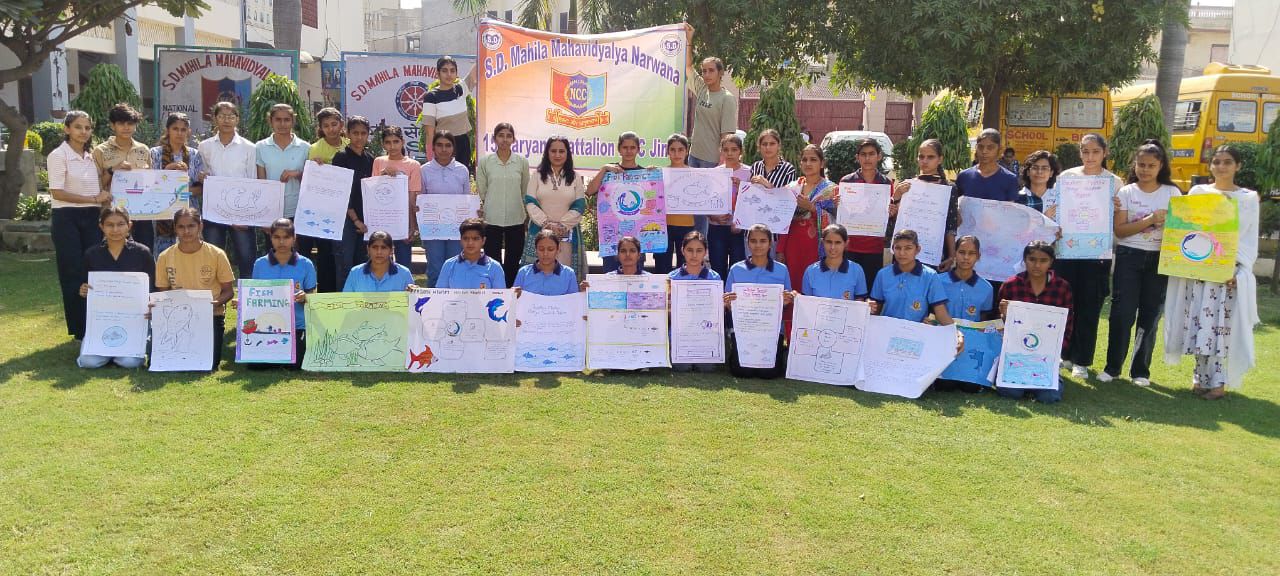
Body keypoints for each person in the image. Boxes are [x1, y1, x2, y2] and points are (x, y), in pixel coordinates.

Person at [1163, 145, 1260, 399]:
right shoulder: (1198, 192)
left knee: (1220, 327)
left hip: (1226, 273)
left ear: (1237, 166)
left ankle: (1218, 383)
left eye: (1227, 162)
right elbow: (1187, 228)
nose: (1221, 167)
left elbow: (1248, 239)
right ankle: (1200, 378)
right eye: (1216, 162)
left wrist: (1238, 270)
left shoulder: (1248, 199)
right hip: (1198, 268)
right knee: (1198, 323)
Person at [1101, 140, 1180, 386]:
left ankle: (1140, 372)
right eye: (1141, 164)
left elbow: (1181, 231)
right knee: (1122, 314)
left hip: (1159, 259)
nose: (1145, 170)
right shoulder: (1126, 192)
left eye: (1151, 165)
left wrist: (1166, 225)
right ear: (1134, 165)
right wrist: (1150, 219)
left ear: (1161, 166)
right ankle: (1112, 368)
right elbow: (1121, 232)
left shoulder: (1172, 193)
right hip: (1129, 257)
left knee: (1150, 315)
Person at [1045, 133, 1123, 380]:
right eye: (1085, 151)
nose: (1090, 157)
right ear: (1080, 152)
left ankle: (1082, 360)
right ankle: (1065, 354)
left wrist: (1116, 207)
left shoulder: (1113, 182)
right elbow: (1053, 211)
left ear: (1104, 153)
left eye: (1095, 152)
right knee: (1065, 305)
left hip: (1096, 254)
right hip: (1066, 252)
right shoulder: (1066, 178)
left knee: (1090, 307)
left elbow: (1116, 220)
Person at [50, 110, 109, 341]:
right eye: (78, 127)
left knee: (93, 269)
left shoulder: (90, 156)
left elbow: (95, 187)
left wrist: (113, 174)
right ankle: (79, 329)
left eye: (87, 127)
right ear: (67, 129)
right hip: (67, 218)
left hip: (91, 217)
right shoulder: (58, 155)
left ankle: (95, 322)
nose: (83, 132)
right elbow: (57, 192)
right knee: (72, 271)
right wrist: (94, 200)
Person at [155, 208, 236, 371]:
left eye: (191, 226)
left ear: (200, 226)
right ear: (175, 228)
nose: (186, 231)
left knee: (209, 364)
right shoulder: (164, 257)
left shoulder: (217, 254)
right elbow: (162, 293)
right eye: (181, 227)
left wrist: (214, 303)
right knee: (164, 360)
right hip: (175, 318)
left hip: (211, 316)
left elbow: (229, 291)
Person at [996, 241, 1075, 403]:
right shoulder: (1011, 285)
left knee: (1050, 397)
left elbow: (1067, 326)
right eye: (1032, 259)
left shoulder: (1062, 288)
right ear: (1024, 260)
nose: (1037, 265)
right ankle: (1017, 379)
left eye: (1043, 260)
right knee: (1010, 392)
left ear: (1051, 262)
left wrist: (1055, 353)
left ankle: (1052, 377)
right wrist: (1004, 315)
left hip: (1045, 357)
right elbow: (997, 325)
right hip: (1015, 355)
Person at [77, 207, 155, 369]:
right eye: (109, 225)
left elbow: (152, 288)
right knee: (88, 362)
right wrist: (83, 290)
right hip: (102, 321)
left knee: (130, 363)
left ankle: (118, 353)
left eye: (120, 224)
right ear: (101, 227)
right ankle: (106, 350)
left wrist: (151, 306)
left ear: (129, 226)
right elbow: (85, 284)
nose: (115, 230)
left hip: (134, 321)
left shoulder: (142, 253)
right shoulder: (92, 254)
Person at [197, 101, 259, 279]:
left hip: (241, 211)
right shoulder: (205, 146)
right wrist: (201, 177)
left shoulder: (249, 147)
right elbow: (201, 174)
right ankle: (214, 301)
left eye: (231, 116)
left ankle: (247, 300)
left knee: (246, 257)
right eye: (222, 116)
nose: (226, 120)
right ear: (215, 119)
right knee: (212, 256)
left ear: (237, 119)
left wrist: (247, 214)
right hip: (214, 211)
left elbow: (253, 179)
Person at [724, 224, 794, 378]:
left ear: (770, 243)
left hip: (771, 329)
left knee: (769, 373)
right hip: (744, 329)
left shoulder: (782, 270)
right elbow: (729, 303)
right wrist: (728, 303)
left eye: (763, 241)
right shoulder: (736, 269)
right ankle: (734, 351)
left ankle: (779, 354)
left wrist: (788, 300)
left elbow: (785, 302)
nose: (758, 245)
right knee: (742, 372)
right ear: (747, 242)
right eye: (753, 241)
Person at [248, 218, 317, 369]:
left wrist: (305, 297)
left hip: (296, 326)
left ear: (294, 238)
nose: (281, 242)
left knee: (295, 365)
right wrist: (243, 303)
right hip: (265, 326)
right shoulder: (260, 264)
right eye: (277, 237)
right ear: (270, 238)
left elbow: (313, 296)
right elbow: (253, 296)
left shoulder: (306, 264)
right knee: (256, 366)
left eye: (286, 237)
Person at [255, 104, 311, 274]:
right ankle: (275, 295)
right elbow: (261, 182)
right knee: (273, 259)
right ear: (270, 121)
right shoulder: (261, 147)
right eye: (278, 119)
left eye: (287, 119)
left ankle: (300, 293)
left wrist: (297, 173)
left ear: (293, 120)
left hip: (297, 210)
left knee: (299, 258)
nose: (282, 124)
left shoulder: (305, 147)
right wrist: (264, 216)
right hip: (272, 213)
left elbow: (311, 181)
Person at [523, 136, 587, 281]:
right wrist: (546, 224)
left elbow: (579, 204)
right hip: (540, 231)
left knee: (565, 274)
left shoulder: (575, 177)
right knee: (539, 273)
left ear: (567, 154)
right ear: (547, 153)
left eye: (561, 151)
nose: (557, 155)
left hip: (567, 233)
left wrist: (562, 225)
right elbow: (530, 202)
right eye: (553, 151)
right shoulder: (537, 175)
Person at [588, 132, 654, 272]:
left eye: (632, 147)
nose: (629, 151)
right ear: (619, 149)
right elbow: (590, 190)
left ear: (638, 150)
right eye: (625, 147)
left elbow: (653, 201)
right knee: (611, 283)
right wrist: (604, 169)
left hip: (637, 239)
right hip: (612, 240)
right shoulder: (609, 171)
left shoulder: (645, 173)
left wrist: (654, 177)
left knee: (635, 284)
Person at [891, 138, 960, 270]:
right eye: (921, 156)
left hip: (933, 252)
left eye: (930, 157)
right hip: (905, 252)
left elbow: (951, 225)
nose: (925, 161)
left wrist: (951, 256)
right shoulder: (907, 185)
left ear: (940, 159)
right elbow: (897, 221)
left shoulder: (948, 188)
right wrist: (897, 197)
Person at [776, 144, 836, 291]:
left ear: (822, 163)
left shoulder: (831, 190)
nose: (808, 163)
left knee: (812, 285)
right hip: (792, 245)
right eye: (805, 159)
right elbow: (784, 221)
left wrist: (812, 208)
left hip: (816, 246)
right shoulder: (792, 187)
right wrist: (780, 249)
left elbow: (836, 221)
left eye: (813, 160)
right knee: (792, 286)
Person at [476, 122, 529, 286]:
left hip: (516, 218)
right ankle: (495, 290)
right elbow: (482, 190)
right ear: (494, 139)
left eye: (508, 136)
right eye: (501, 135)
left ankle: (512, 294)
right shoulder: (485, 162)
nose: (504, 140)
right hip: (492, 217)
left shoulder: (521, 162)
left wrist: (526, 213)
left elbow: (525, 190)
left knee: (513, 260)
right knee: (493, 260)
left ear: (513, 139)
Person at [93, 103, 153, 249]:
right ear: (112, 126)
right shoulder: (100, 150)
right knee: (113, 253)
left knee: (144, 251)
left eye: (130, 123)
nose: (126, 127)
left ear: (135, 125)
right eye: (121, 123)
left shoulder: (143, 149)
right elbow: (97, 185)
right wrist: (113, 170)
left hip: (141, 211)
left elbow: (151, 183)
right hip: (113, 213)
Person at [302, 107, 348, 292]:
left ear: (341, 125)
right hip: (322, 211)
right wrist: (315, 167)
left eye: (334, 124)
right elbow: (311, 179)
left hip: (345, 210)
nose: (331, 129)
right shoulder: (315, 149)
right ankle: (326, 292)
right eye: (326, 125)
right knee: (325, 253)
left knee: (343, 253)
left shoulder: (349, 144)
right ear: (321, 128)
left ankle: (343, 291)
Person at [836, 137, 892, 290]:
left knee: (869, 291)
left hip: (874, 247)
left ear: (879, 156)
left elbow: (889, 214)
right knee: (848, 290)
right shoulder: (846, 182)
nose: (867, 158)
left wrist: (892, 211)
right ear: (857, 157)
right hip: (850, 247)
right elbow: (841, 214)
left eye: (871, 154)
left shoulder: (886, 184)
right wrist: (838, 205)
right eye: (863, 154)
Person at [149, 112, 205, 258]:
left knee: (191, 255)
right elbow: (150, 184)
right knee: (164, 257)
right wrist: (168, 170)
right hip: (161, 212)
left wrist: (181, 192)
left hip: (188, 210)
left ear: (188, 132)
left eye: (183, 129)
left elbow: (199, 188)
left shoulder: (194, 154)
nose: (179, 133)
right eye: (175, 129)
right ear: (168, 130)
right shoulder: (155, 153)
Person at [420, 130, 471, 287]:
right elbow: (421, 198)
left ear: (453, 148)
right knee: (435, 269)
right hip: (433, 229)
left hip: (455, 229)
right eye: (439, 145)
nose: (444, 149)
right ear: (433, 148)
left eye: (448, 145)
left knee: (455, 267)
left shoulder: (462, 170)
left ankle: (454, 305)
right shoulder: (424, 170)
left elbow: (466, 200)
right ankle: (433, 307)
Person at [869, 230, 953, 324]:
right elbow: (875, 309)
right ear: (893, 249)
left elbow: (941, 313)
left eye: (908, 248)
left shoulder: (930, 276)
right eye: (898, 248)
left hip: (916, 333)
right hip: (888, 329)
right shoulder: (883, 274)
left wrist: (955, 332)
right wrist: (868, 307)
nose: (902, 253)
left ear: (917, 250)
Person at [330, 115, 375, 289]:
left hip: (366, 221)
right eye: (355, 133)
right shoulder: (340, 157)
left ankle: (360, 304)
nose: (359, 137)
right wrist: (355, 219)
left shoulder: (371, 159)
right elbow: (341, 193)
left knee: (363, 265)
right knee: (345, 265)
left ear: (368, 135)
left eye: (363, 133)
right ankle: (343, 306)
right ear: (347, 133)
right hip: (345, 220)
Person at [669, 230, 722, 373]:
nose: (694, 255)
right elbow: (667, 312)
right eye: (689, 250)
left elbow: (717, 311)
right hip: (680, 334)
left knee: (707, 368)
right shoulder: (671, 278)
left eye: (699, 250)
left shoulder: (714, 278)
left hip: (705, 333)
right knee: (682, 367)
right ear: (682, 250)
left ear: (705, 252)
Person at [373, 125, 424, 268]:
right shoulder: (378, 162)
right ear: (383, 144)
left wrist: (412, 226)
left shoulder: (413, 165)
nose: (392, 146)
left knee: (403, 263)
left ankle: (404, 289)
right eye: (388, 142)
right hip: (382, 219)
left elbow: (412, 195)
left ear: (402, 142)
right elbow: (373, 192)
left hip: (403, 220)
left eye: (395, 141)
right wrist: (383, 176)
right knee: (380, 261)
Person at [654, 133, 698, 274]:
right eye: (673, 150)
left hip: (686, 225)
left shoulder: (696, 174)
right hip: (663, 225)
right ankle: (663, 294)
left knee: (685, 264)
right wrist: (649, 175)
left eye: (680, 150)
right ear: (668, 152)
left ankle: (682, 294)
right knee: (662, 264)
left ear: (687, 151)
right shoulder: (659, 173)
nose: (677, 153)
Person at [420, 55, 473, 171]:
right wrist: (431, 159)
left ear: (456, 74)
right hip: (443, 146)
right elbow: (429, 133)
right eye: (444, 71)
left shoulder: (461, 89)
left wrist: (488, 43)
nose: (449, 74)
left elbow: (476, 70)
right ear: (437, 74)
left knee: (460, 179)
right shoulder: (431, 97)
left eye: (452, 71)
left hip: (463, 144)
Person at [708, 133, 750, 279]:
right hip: (716, 227)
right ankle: (719, 299)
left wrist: (743, 188)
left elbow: (754, 201)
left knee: (737, 269)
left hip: (739, 230)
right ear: (721, 151)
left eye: (734, 149)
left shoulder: (749, 172)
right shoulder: (714, 172)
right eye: (726, 150)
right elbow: (705, 201)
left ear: (741, 152)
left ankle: (734, 300)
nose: (730, 153)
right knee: (717, 268)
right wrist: (713, 216)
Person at [689, 57, 738, 169]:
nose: (707, 74)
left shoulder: (727, 98)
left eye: (711, 70)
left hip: (711, 161)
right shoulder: (702, 89)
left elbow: (727, 135)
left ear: (720, 72)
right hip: (694, 156)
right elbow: (688, 67)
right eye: (704, 71)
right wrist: (689, 41)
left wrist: (723, 159)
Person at [801, 224, 868, 301]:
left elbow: (860, 302)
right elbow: (805, 303)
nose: (833, 247)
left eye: (838, 242)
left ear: (846, 243)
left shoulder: (857, 270)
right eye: (829, 242)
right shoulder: (810, 271)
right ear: (822, 242)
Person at [436, 218, 507, 289]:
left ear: (483, 241)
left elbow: (500, 297)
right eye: (466, 238)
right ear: (460, 240)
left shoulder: (495, 267)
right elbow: (440, 296)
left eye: (475, 238)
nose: (470, 243)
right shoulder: (449, 265)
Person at [938, 235, 994, 322]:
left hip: (972, 335)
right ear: (955, 254)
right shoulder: (938, 281)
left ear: (978, 256)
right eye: (961, 252)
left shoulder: (986, 288)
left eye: (971, 253)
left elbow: (984, 318)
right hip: (941, 332)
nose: (966, 257)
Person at [955, 129, 1020, 202]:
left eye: (990, 147)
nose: (984, 151)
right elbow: (956, 206)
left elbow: (1011, 210)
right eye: (980, 147)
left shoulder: (1010, 179)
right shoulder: (964, 176)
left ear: (999, 149)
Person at [343, 231, 417, 292]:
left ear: (391, 250)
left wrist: (415, 293)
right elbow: (345, 301)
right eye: (375, 247)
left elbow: (412, 304)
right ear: (368, 249)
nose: (379, 252)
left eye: (384, 248)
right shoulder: (355, 272)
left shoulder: (404, 273)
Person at [513, 229, 582, 296]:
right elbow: (513, 300)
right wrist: (514, 295)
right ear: (535, 250)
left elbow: (573, 302)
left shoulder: (569, 274)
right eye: (541, 249)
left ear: (558, 250)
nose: (545, 254)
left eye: (550, 249)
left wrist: (585, 292)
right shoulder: (524, 273)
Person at [1016, 150, 1060, 215]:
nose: (1039, 171)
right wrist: (1044, 218)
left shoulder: (1058, 198)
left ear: (1051, 173)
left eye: (1044, 168)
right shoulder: (1018, 198)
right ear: (1028, 172)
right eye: (1035, 168)